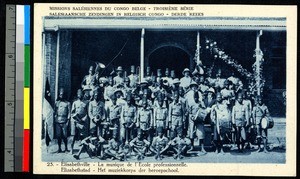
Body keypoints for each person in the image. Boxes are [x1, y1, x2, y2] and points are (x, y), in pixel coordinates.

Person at [70, 89, 89, 154]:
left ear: (83, 94)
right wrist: (76, 119)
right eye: (78, 94)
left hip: (83, 121)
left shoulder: (86, 102)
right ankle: (71, 149)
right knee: (73, 136)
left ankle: (85, 149)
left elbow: (87, 113)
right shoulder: (75, 103)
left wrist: (83, 119)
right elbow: (72, 113)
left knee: (84, 136)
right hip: (76, 121)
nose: (80, 95)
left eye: (81, 94)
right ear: (77, 95)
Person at [54, 88, 71, 153]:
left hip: (64, 121)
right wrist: (55, 120)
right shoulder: (57, 103)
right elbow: (55, 111)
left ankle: (66, 148)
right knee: (58, 136)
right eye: (60, 95)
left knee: (65, 136)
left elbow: (69, 113)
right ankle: (59, 148)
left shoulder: (67, 103)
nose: (61, 96)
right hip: (58, 121)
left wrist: (68, 121)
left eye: (62, 95)